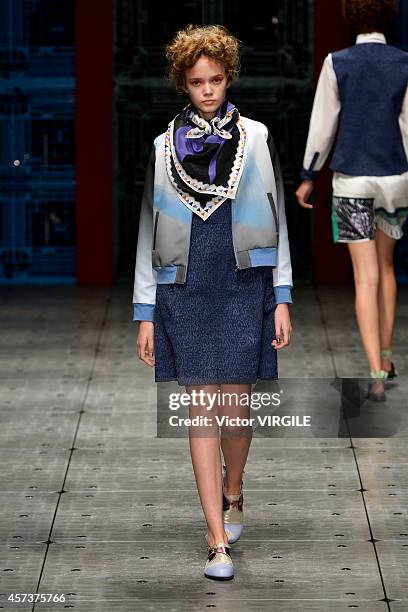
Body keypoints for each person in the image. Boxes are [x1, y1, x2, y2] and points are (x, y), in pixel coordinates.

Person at [133, 24, 293, 580]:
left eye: (216, 79)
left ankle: (234, 486)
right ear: (183, 82)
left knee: (237, 406)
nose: (207, 90)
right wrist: (146, 311)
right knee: (202, 406)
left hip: (244, 278)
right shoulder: (162, 146)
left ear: (229, 77)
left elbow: (277, 220)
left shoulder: (256, 136)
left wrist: (282, 295)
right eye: (197, 81)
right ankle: (215, 536)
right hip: (186, 282)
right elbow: (149, 231)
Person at [296, 0, 408, 402]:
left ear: (351, 16)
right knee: (386, 268)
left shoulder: (337, 62)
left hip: (351, 181)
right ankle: (387, 354)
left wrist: (309, 174)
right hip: (395, 179)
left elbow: (323, 125)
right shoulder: (403, 62)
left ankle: (376, 372)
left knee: (365, 278)